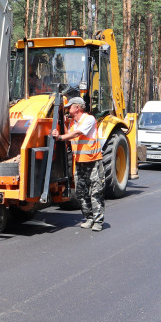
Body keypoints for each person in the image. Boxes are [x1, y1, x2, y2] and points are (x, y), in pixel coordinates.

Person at [57, 96, 105, 231]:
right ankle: (89, 218)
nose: (67, 109)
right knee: (81, 192)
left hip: (93, 162)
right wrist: (61, 129)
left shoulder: (88, 119)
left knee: (96, 191)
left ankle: (98, 222)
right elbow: (70, 134)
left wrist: (60, 137)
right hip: (79, 163)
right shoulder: (72, 122)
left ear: (77, 107)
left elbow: (77, 134)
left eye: (69, 107)